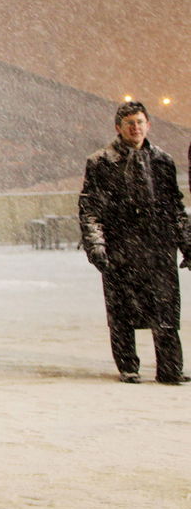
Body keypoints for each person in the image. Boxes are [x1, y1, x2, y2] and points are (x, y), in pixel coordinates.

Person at [78, 101, 191, 384]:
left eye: (140, 122)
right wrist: (96, 245)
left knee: (165, 311)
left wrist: (187, 243)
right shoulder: (101, 162)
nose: (135, 128)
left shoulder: (163, 161)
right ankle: (129, 366)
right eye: (129, 123)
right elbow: (90, 207)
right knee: (122, 312)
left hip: (158, 248)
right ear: (118, 128)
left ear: (148, 125)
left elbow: (174, 206)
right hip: (121, 247)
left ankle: (170, 369)